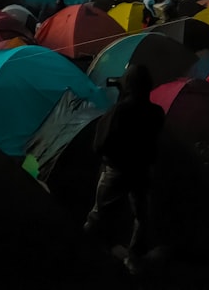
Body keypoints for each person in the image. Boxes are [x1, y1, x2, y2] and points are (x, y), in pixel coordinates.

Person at [84, 63, 165, 273]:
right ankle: (135, 256)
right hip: (142, 170)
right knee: (142, 214)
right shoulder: (156, 112)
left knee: (98, 214)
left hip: (116, 170)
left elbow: (99, 144)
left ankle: (89, 250)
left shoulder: (119, 111)